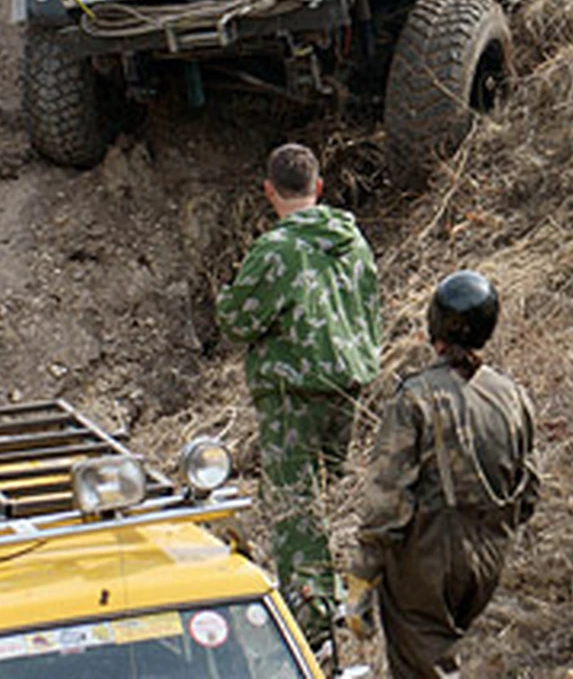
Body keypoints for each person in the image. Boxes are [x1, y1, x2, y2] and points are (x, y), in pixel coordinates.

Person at [215, 142, 381, 649]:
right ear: (319, 188)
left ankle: (312, 628)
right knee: (327, 497)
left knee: (295, 506)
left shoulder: (276, 250)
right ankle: (341, 599)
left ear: (269, 191)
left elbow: (237, 320)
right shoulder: (353, 240)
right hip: (348, 386)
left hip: (293, 394)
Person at [345, 269, 538, 678]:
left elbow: (387, 500)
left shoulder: (415, 397)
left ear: (435, 326)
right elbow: (529, 491)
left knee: (422, 668)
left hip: (429, 561)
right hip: (488, 557)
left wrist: (362, 574)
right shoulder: (513, 396)